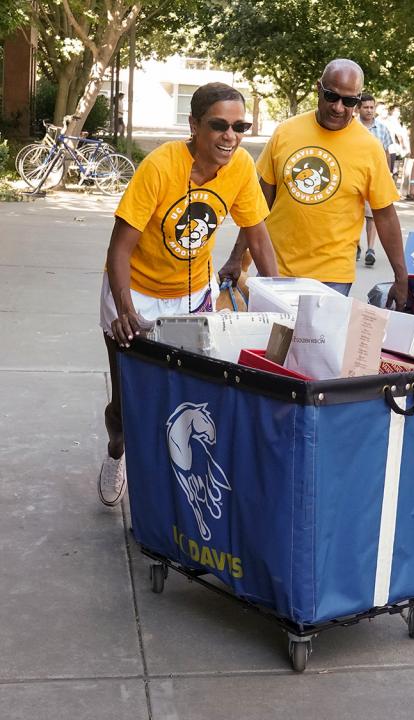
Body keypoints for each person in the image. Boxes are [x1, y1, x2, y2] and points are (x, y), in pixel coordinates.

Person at [98, 82, 278, 506]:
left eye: (240, 126)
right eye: (219, 125)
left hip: (194, 293)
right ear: (194, 125)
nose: (230, 136)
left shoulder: (240, 168)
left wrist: (280, 300)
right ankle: (116, 451)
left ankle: (174, 482)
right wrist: (125, 310)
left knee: (193, 394)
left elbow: (260, 239)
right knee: (128, 402)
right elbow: (118, 248)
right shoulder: (159, 167)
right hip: (135, 291)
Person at [256, 59, 408, 303]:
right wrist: (238, 258)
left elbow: (385, 215)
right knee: (267, 341)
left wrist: (401, 278)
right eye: (331, 96)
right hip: (275, 269)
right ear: (319, 88)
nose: (339, 107)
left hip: (332, 279)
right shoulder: (285, 131)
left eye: (349, 101)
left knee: (316, 343)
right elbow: (260, 203)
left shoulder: (369, 147)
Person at [358, 93, 393, 267]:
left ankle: (370, 249)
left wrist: (387, 176)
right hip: (355, 177)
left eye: (372, 107)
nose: (369, 110)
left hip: (375, 179)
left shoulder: (382, 129)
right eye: (366, 107)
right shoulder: (351, 127)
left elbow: (386, 154)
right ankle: (355, 244)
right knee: (355, 213)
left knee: (372, 216)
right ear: (359, 108)